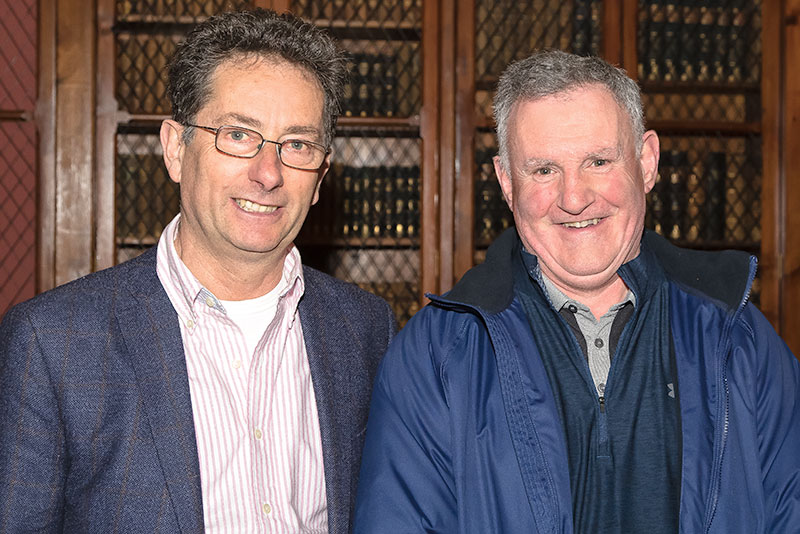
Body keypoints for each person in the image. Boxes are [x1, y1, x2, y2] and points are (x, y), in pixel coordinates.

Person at [353, 49, 800, 533]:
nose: (574, 197)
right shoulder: (436, 355)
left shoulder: (740, 341)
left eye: (598, 161)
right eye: (544, 169)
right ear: (506, 181)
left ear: (646, 162)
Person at [0, 9, 396, 533]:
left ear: (320, 177)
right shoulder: (52, 343)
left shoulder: (367, 330)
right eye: (238, 135)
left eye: (297, 144)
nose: (268, 173)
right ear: (175, 149)